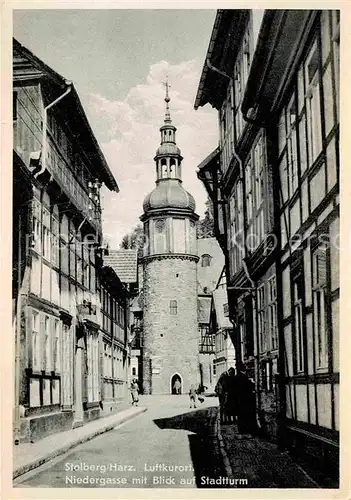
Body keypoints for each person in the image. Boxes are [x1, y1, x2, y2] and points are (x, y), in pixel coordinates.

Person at [234, 362, 257, 434]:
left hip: (239, 399)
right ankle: (246, 430)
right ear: (243, 370)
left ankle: (241, 429)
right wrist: (253, 383)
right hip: (246, 399)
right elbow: (250, 386)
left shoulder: (237, 377)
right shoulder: (244, 377)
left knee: (241, 415)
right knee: (246, 414)